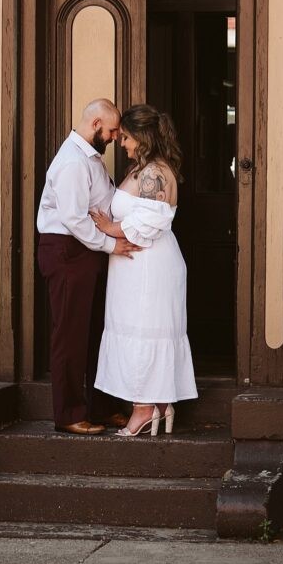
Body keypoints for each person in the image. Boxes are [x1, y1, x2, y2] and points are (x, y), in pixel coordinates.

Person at [91, 104, 198, 437]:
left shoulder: (154, 173)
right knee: (137, 330)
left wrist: (109, 227)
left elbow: (152, 221)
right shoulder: (143, 168)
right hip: (136, 268)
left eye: (125, 137)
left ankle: (144, 409)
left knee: (144, 331)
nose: (121, 143)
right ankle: (160, 404)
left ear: (142, 136)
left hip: (149, 267)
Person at [37, 98, 140, 435]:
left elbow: (102, 206)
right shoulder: (72, 162)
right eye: (111, 131)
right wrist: (112, 244)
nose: (114, 138)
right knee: (69, 335)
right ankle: (68, 414)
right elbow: (75, 220)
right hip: (67, 251)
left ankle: (101, 406)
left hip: (86, 251)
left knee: (98, 330)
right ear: (96, 125)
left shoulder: (91, 159)